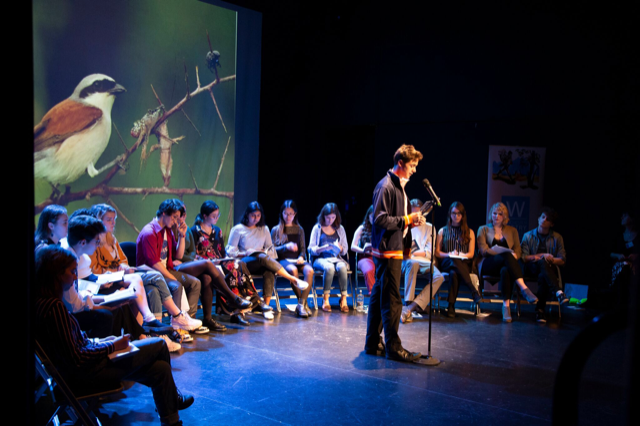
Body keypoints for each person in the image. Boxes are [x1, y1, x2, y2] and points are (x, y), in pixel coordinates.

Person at [34, 245, 194, 426]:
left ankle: (171, 420)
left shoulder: (43, 304)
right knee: (159, 345)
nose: (75, 277)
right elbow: (78, 358)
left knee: (160, 370)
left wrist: (103, 341)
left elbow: (75, 346)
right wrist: (113, 346)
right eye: (71, 271)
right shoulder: (53, 308)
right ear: (56, 274)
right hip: (85, 375)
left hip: (84, 369)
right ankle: (174, 398)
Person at [87, 204, 182, 350]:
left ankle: (148, 337)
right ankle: (172, 318)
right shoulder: (93, 242)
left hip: (121, 278)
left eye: (115, 219)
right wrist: (114, 272)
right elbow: (94, 271)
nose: (113, 223)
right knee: (154, 277)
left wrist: (124, 268)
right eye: (109, 219)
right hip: (109, 282)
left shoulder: (112, 239)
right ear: (98, 220)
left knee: (151, 289)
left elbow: (124, 261)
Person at [364, 144, 425, 362]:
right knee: (392, 301)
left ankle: (372, 342)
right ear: (400, 163)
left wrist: (411, 223)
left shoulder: (398, 186)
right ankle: (393, 347)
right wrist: (408, 219)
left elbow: (396, 220)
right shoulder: (386, 186)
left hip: (393, 249)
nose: (414, 170)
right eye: (412, 165)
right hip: (387, 252)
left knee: (380, 297)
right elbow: (379, 219)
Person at [173, 200, 251, 331]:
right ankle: (232, 298)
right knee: (208, 264)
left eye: (184, 214)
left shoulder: (185, 230)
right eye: (180, 215)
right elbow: (178, 256)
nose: (183, 217)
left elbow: (191, 252)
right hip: (182, 265)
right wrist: (189, 257)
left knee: (208, 277)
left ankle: (208, 319)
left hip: (191, 264)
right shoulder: (176, 230)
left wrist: (193, 257)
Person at [226, 201, 308, 320]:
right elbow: (230, 252)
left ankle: (266, 307)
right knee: (260, 256)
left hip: (261, 260)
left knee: (268, 269)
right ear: (247, 214)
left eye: (258, 216)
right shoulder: (238, 229)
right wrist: (246, 252)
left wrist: (264, 252)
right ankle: (293, 279)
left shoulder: (264, 229)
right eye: (253, 215)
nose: (256, 218)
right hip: (244, 263)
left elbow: (271, 250)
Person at [136, 199, 203, 332]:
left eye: (178, 218)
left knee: (195, 283)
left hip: (165, 270)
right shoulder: (150, 232)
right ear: (164, 213)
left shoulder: (167, 231)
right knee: (176, 286)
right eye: (174, 217)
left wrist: (182, 236)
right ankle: (176, 326)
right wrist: (171, 278)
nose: (176, 221)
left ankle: (187, 321)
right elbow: (154, 263)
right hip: (151, 273)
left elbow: (178, 255)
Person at [477, 202, 538, 322]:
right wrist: (500, 252)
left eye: (500, 214)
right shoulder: (483, 229)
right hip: (489, 263)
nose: (497, 216)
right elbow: (484, 251)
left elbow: (518, 251)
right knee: (506, 254)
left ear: (504, 216)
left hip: (506, 264)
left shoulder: (512, 230)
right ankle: (524, 288)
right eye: (494, 213)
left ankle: (506, 307)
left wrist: (515, 255)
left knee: (506, 270)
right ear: (491, 214)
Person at [400, 199, 444, 323]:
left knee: (439, 277)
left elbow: (429, 252)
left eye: (418, 213)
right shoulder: (406, 225)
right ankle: (408, 302)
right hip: (407, 261)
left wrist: (412, 252)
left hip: (424, 261)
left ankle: (410, 307)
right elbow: (403, 252)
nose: (416, 216)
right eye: (413, 213)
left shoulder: (430, 227)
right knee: (412, 263)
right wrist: (411, 253)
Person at [520, 207, 568, 322]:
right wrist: (542, 256)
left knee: (543, 274)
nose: (544, 220)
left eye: (547, 219)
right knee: (542, 262)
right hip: (532, 267)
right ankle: (558, 292)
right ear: (538, 219)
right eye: (542, 217)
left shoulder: (557, 238)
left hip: (548, 269)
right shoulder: (528, 236)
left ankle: (540, 311)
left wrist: (549, 259)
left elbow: (562, 260)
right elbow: (524, 257)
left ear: (551, 224)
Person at [435, 201, 481, 318]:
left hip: (463, 262)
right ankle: (473, 291)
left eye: (459, 214)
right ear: (450, 214)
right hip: (447, 260)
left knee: (454, 272)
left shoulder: (469, 232)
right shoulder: (442, 231)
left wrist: (460, 255)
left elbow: (471, 254)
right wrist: (449, 254)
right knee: (453, 261)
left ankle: (451, 306)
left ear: (463, 215)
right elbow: (437, 252)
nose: (456, 216)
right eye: (453, 213)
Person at [270, 200, 314, 318]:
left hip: (297, 260)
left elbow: (303, 248)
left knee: (309, 271)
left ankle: (301, 304)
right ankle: (302, 303)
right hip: (283, 260)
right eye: (285, 213)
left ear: (295, 214)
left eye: (290, 213)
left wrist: (301, 256)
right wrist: (285, 247)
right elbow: (271, 250)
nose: (288, 216)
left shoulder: (299, 229)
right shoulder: (276, 230)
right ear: (282, 213)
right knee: (293, 271)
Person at [309, 203, 350, 312]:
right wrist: (322, 248)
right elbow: (311, 249)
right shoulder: (317, 228)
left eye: (333, 217)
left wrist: (340, 248)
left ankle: (343, 299)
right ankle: (325, 299)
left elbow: (345, 249)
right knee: (329, 268)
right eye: (328, 217)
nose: (331, 220)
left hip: (336, 258)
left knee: (342, 267)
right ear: (323, 216)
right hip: (320, 259)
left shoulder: (340, 229)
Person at [351, 206, 376, 295]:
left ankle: (384, 297)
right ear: (368, 216)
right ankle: (373, 294)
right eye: (372, 216)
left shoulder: (382, 228)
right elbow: (353, 246)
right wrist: (363, 250)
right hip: (365, 257)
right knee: (369, 270)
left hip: (379, 257)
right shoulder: (362, 228)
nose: (374, 219)